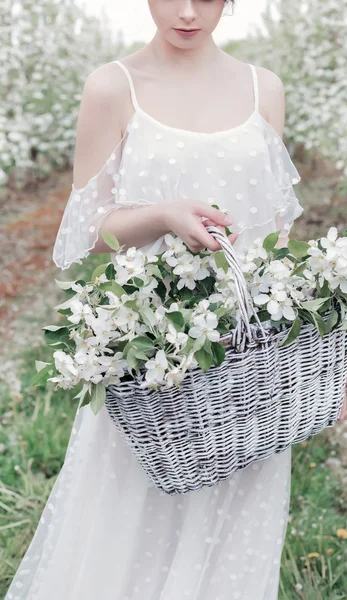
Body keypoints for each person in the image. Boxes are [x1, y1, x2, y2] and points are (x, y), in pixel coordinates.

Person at [5, 1, 315, 598]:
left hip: (248, 364)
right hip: (154, 358)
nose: (187, 11)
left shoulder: (263, 89)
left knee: (231, 530)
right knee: (130, 524)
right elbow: (85, 232)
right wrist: (164, 215)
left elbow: (277, 235)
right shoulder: (113, 87)